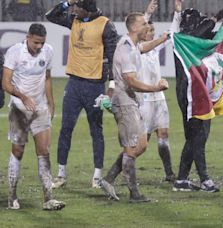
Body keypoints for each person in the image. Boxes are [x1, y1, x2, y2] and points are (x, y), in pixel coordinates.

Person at [46, 0, 119, 188]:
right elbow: (50, 16)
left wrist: (111, 88)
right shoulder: (74, 20)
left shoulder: (105, 25)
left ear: (87, 8)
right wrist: (67, 2)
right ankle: (61, 175)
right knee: (65, 129)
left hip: (95, 85)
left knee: (96, 131)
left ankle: (97, 176)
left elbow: (113, 59)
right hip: (74, 84)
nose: (73, 9)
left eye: (77, 6)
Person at [99, 12, 169, 203]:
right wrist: (156, 88)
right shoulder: (126, 49)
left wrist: (162, 39)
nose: (148, 26)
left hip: (132, 102)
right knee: (131, 148)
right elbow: (131, 81)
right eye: (144, 23)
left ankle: (108, 179)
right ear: (134, 28)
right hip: (124, 103)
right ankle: (134, 193)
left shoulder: (133, 45)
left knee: (141, 145)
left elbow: (144, 48)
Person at [2, 23, 65, 210]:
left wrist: (51, 102)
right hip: (19, 109)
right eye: (36, 42)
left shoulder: (48, 51)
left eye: (42, 43)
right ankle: (12, 196)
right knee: (18, 151)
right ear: (28, 37)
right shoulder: (15, 52)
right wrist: (23, 97)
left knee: (44, 152)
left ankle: (48, 199)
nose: (39, 46)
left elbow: (47, 77)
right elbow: (5, 83)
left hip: (40, 109)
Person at [171, 4, 223, 193]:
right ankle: (204, 179)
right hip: (191, 95)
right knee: (199, 136)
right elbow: (201, 32)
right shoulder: (183, 40)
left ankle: (181, 179)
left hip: (195, 93)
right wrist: (214, 20)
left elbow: (217, 37)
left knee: (194, 138)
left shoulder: (194, 41)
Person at [139, 0, 178, 182]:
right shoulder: (136, 49)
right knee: (141, 144)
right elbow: (136, 32)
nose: (151, 34)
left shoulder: (154, 50)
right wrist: (147, 14)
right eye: (148, 31)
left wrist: (177, 13)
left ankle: (169, 173)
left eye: (153, 31)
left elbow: (172, 33)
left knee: (163, 135)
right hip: (144, 100)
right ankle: (121, 167)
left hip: (159, 98)